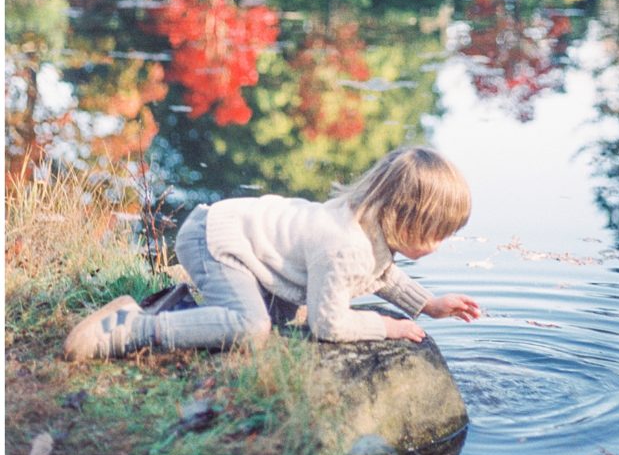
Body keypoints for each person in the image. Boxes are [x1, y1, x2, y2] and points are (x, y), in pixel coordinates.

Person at [64, 145, 481, 361]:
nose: (440, 244)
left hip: (243, 244)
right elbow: (327, 325)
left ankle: (177, 310)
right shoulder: (345, 245)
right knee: (250, 327)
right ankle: (132, 328)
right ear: (404, 217)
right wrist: (388, 327)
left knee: (280, 317)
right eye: (437, 234)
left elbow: (382, 272)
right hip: (216, 241)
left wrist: (427, 304)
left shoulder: (367, 225)